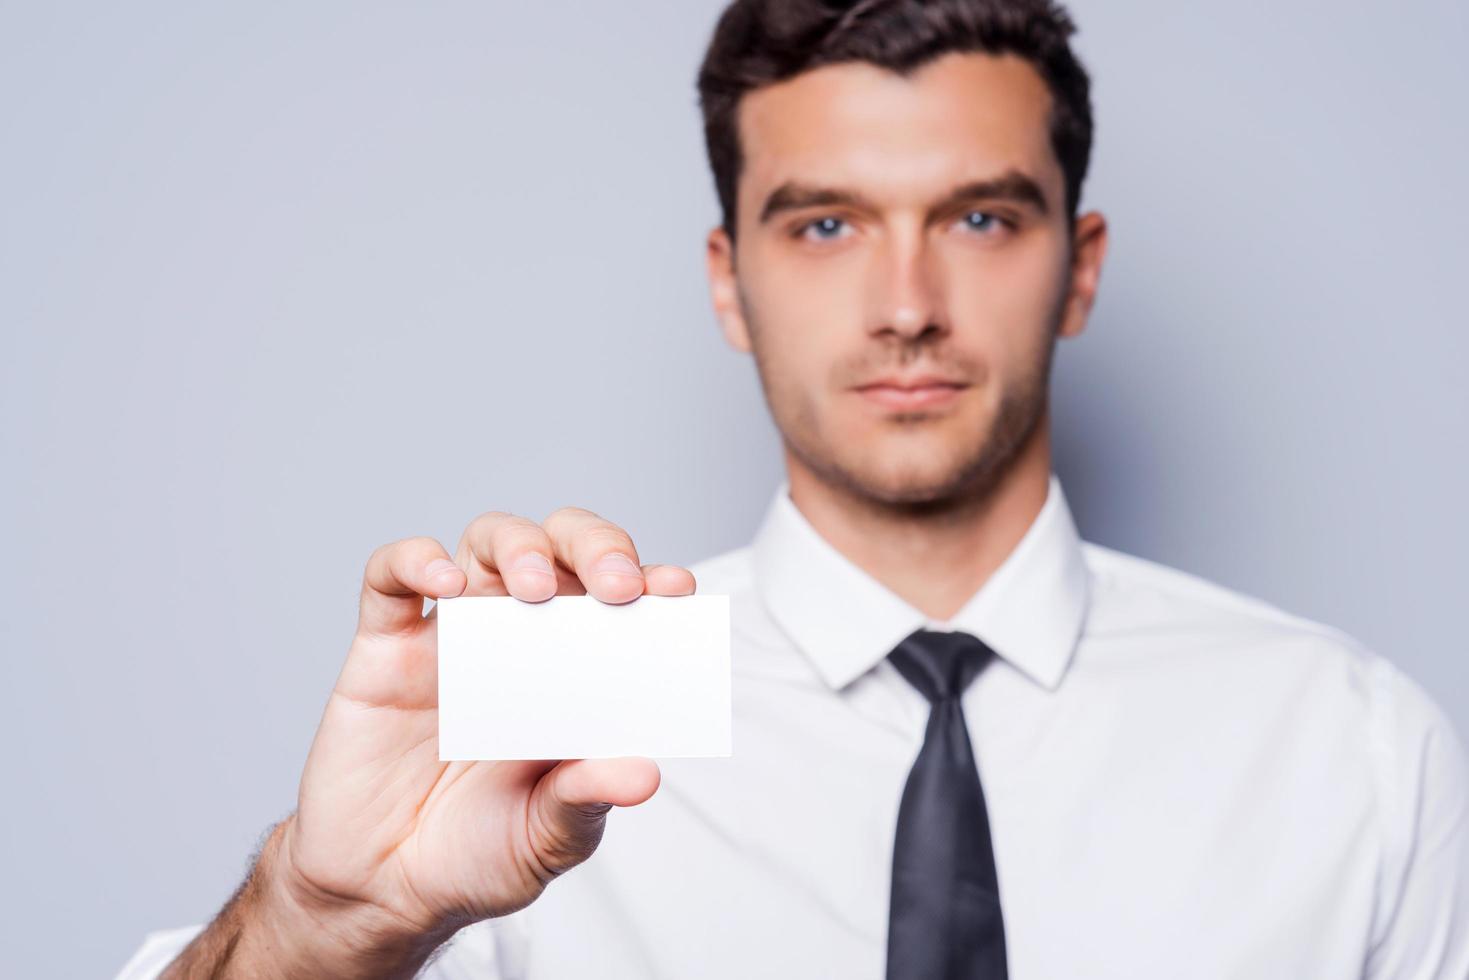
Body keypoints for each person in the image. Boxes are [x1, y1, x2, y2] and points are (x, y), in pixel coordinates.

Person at [119, 0, 1469, 977]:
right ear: (727, 280)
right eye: (824, 225)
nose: (904, 306)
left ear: (1081, 265)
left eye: (980, 218)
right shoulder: (545, 733)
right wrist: (320, 919)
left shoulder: (1348, 753)